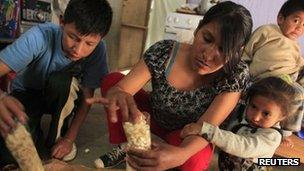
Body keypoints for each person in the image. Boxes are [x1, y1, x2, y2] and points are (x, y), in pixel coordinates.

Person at [87, 1, 253, 170]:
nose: (208, 55)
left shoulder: (235, 74)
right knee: (112, 81)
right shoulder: (164, 52)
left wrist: (182, 154)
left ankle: (169, 154)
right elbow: (122, 89)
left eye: (224, 49)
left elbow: (206, 128)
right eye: (207, 38)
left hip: (188, 132)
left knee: (194, 159)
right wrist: (119, 93)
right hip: (153, 117)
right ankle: (127, 146)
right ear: (198, 28)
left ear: (238, 51)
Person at [0, 0, 112, 167]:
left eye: (89, 44)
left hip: (62, 94)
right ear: (61, 22)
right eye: (72, 37)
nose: (78, 50)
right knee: (10, 153)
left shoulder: (99, 50)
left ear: (100, 38)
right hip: (28, 91)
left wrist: (69, 139)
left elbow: (88, 99)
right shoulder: (39, 36)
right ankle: (34, 130)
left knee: (61, 82)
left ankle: (57, 136)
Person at [180, 76, 297, 171]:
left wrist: (206, 130)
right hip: (226, 164)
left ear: (282, 117)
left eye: (266, 114)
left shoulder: (272, 136)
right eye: (253, 106)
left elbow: (243, 146)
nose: (255, 117)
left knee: (283, 162)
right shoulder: (242, 111)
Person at [242, 0, 304, 146]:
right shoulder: (267, 31)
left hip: (286, 79)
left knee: (299, 93)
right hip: (265, 78)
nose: (299, 28)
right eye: (296, 21)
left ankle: (287, 129)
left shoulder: (295, 46)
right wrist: (243, 66)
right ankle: (285, 131)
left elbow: (298, 64)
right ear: (281, 18)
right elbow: (248, 50)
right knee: (296, 93)